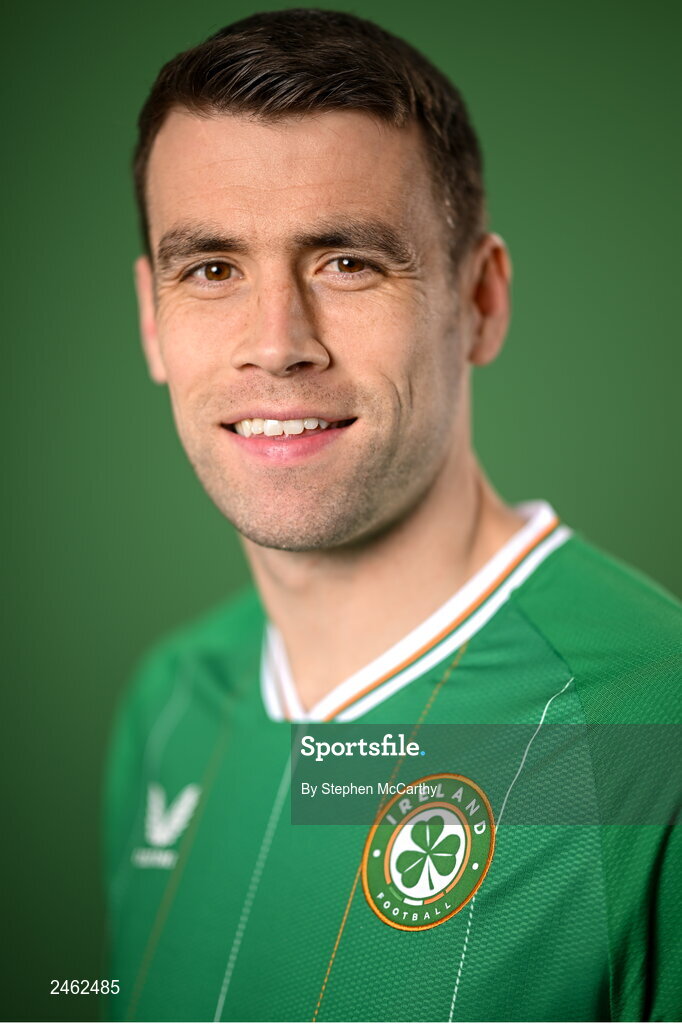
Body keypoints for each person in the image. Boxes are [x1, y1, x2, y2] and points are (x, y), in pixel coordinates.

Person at [104, 8, 680, 1022]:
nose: (277, 344)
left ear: (480, 302)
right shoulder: (169, 708)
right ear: (153, 319)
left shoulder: (649, 736)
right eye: (212, 269)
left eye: (348, 262)